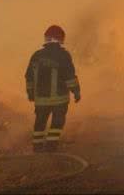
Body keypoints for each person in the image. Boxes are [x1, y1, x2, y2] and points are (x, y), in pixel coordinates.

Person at [25, 24, 81, 152]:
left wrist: (30, 93)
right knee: (57, 123)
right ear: (61, 39)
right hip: (59, 100)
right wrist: (76, 92)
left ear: (46, 38)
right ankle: (51, 146)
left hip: (41, 100)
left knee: (39, 124)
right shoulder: (63, 55)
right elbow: (70, 76)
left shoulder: (36, 55)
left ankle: (37, 148)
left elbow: (29, 76)